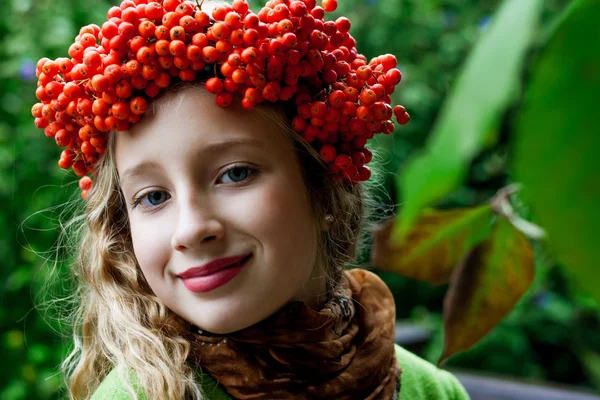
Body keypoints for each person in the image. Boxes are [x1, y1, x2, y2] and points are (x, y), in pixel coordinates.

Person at [32, 0, 470, 399]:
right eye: (152, 197)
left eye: (235, 174)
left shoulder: (433, 391)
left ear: (324, 187)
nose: (191, 229)